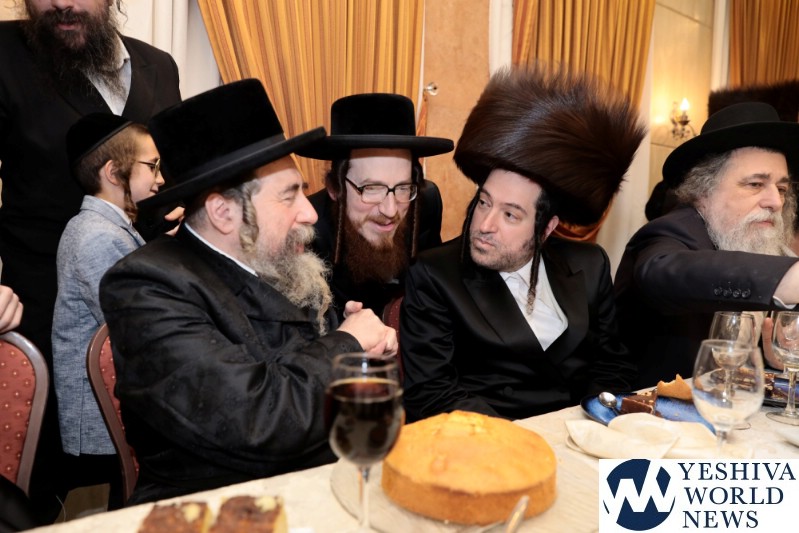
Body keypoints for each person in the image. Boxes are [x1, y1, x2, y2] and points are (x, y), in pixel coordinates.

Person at [99, 79, 397, 504]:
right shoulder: (147, 286)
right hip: (211, 507)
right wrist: (347, 345)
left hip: (316, 485)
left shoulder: (281, 262)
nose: (309, 212)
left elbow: (323, 396)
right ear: (223, 212)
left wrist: (363, 360)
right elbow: (256, 419)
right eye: (289, 196)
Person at [0, 0, 180, 515]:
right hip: (34, 320)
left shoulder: (160, 67)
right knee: (35, 498)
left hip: (148, 319)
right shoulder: (4, 55)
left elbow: (171, 181)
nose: (61, 2)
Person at [400, 67, 645, 422]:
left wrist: (593, 423)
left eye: (510, 215)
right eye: (484, 202)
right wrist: (523, 440)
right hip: (489, 439)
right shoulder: (435, 274)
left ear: (546, 229)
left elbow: (613, 365)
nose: (485, 225)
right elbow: (432, 392)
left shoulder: (590, 265)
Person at [615, 101, 799, 388]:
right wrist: (783, 279)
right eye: (755, 184)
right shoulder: (672, 231)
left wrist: (770, 357)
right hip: (648, 407)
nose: (775, 202)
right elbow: (660, 271)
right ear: (704, 190)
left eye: (782, 188)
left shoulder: (760, 243)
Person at [52, 113, 165, 506]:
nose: (160, 178)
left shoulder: (111, 229)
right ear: (114, 172)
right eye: (152, 166)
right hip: (102, 418)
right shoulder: (96, 236)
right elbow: (137, 325)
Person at [296, 94, 453, 319]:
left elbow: (431, 283)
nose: (390, 210)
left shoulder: (425, 203)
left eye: (403, 187)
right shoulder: (306, 233)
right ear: (334, 188)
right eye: (371, 188)